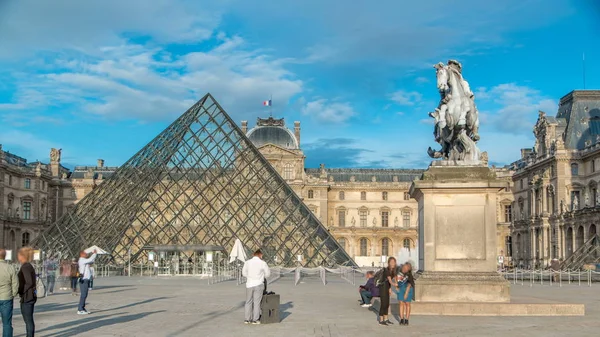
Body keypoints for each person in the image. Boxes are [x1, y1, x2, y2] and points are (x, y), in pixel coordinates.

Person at [242, 250, 270, 325]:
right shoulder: (263, 263)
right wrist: (261, 276)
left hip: (249, 284)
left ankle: (247, 319)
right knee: (257, 302)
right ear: (260, 255)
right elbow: (267, 274)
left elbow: (244, 273)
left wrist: (250, 277)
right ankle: (255, 320)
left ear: (253, 254)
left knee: (248, 302)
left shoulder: (247, 262)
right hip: (259, 284)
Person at [17, 247, 36, 337]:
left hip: (27, 296)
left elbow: (29, 282)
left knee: (28, 320)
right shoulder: (28, 266)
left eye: (19, 254)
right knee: (28, 320)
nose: (17, 256)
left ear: (22, 256)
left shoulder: (25, 267)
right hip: (29, 296)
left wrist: (20, 290)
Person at [0, 248, 18, 337]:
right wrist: (13, 294)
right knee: (7, 323)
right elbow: (15, 283)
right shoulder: (10, 267)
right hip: (6, 297)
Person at [377, 257, 397, 326]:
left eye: (393, 262)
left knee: (387, 304)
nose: (392, 263)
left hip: (387, 287)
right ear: (388, 263)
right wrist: (394, 284)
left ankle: (386, 319)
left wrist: (390, 288)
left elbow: (390, 280)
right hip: (382, 287)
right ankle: (381, 320)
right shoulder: (386, 270)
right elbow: (389, 280)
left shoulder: (393, 270)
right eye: (391, 262)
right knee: (383, 303)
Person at [77, 250, 97, 315]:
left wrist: (94, 255)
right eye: (85, 254)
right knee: (83, 295)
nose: (87, 255)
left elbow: (92, 260)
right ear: (82, 254)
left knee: (85, 294)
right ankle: (80, 309)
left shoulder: (84, 260)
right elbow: (90, 259)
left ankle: (82, 308)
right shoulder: (82, 260)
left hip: (86, 279)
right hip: (83, 279)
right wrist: (94, 253)